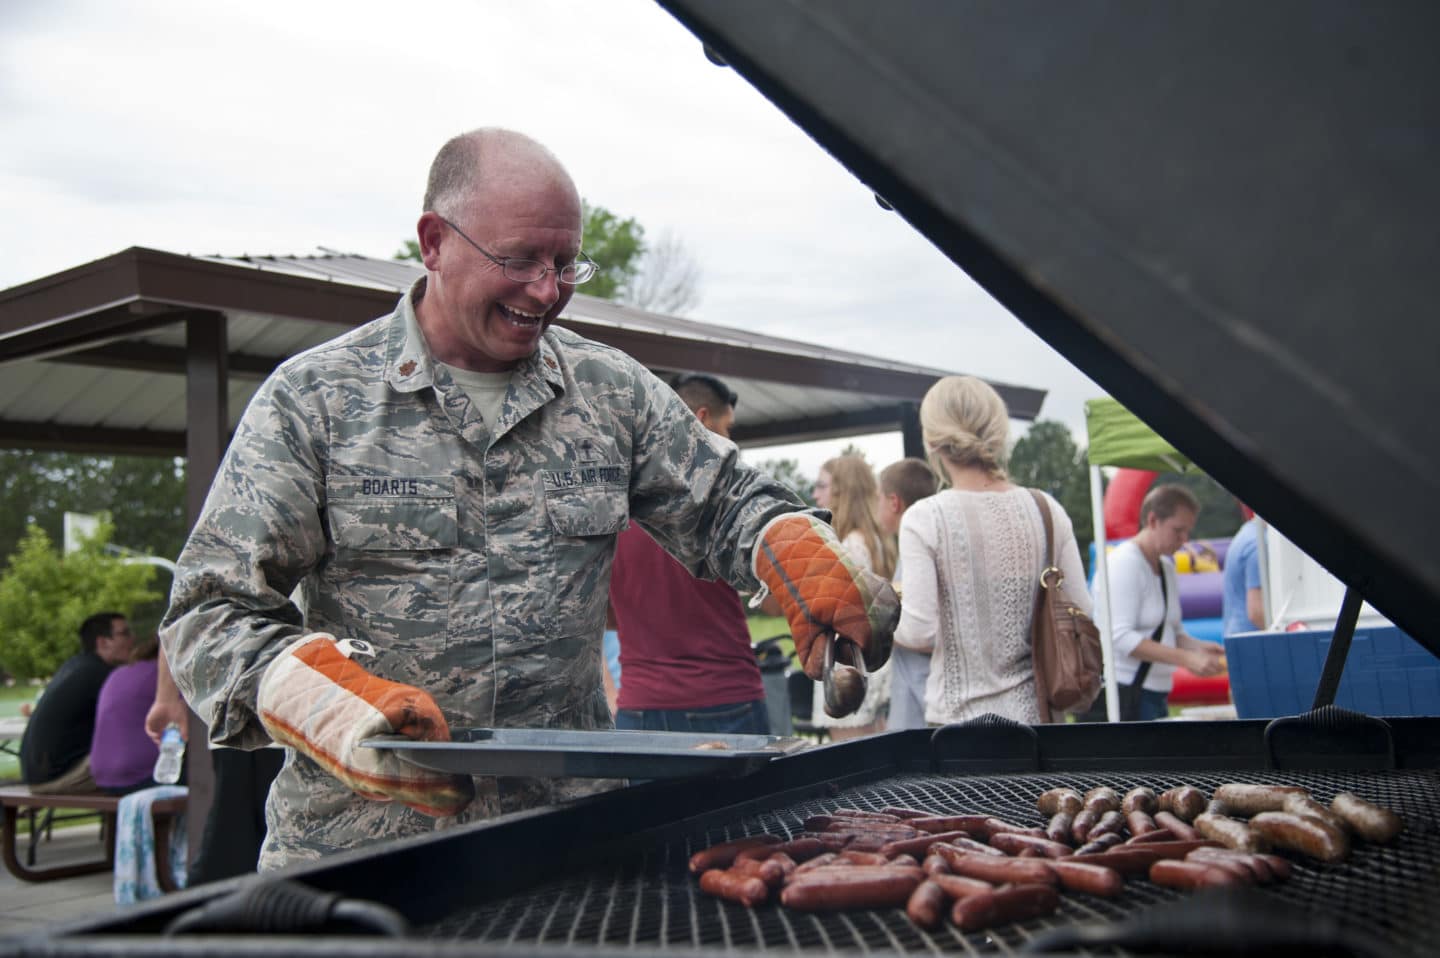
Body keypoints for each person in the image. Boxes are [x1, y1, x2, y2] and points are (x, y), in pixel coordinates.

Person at [159, 127, 898, 868]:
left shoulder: (609, 391)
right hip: (356, 850)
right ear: (433, 241)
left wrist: (791, 543)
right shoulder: (313, 400)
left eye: (564, 262)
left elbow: (727, 498)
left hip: (563, 845)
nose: (548, 290)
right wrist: (325, 700)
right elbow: (208, 612)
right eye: (518, 260)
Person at [892, 376, 1093, 724]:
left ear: (931, 439)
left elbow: (918, 631)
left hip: (959, 726)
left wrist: (879, 609)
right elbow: (1081, 612)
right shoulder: (1046, 509)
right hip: (1042, 719)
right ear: (998, 430)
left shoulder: (924, 518)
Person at [607, 373, 769, 734]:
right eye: (727, 429)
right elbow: (774, 593)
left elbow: (606, 614)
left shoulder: (613, 501)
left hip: (639, 709)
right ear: (699, 421)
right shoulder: (720, 501)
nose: (731, 444)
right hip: (723, 701)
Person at [145, 648, 284, 884]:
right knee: (238, 859)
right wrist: (166, 697)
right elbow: (181, 617)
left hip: (258, 715)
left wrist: (166, 697)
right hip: (255, 717)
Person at [1098, 483, 1227, 720]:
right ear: (1153, 520)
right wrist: (1187, 658)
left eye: (1187, 531)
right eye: (1177, 530)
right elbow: (1119, 637)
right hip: (1125, 691)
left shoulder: (1166, 566)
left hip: (1154, 690)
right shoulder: (1124, 563)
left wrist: (1198, 646)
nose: (1184, 539)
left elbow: (1172, 631)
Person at [810, 454, 897, 739]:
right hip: (869, 666)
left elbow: (836, 614)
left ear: (842, 490)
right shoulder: (873, 540)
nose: (815, 494)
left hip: (847, 669)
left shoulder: (851, 546)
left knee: (850, 761)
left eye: (822, 485)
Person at [20, 612, 135, 794]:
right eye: (125, 633)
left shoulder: (75, 666)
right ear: (103, 642)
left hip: (37, 775)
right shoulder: (102, 675)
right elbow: (136, 720)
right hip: (61, 776)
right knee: (151, 769)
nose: (133, 639)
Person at [875, 457, 939, 730]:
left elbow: (922, 627)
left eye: (878, 498)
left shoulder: (916, 550)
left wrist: (874, 626)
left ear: (893, 502)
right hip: (911, 691)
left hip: (922, 694)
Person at [90, 637, 161, 795]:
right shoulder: (160, 675)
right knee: (207, 778)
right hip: (140, 777)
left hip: (103, 778)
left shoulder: (118, 673)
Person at [1222, 514, 1266, 636]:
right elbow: (1256, 613)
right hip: (1254, 641)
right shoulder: (1259, 546)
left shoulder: (1248, 532)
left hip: (1236, 635)